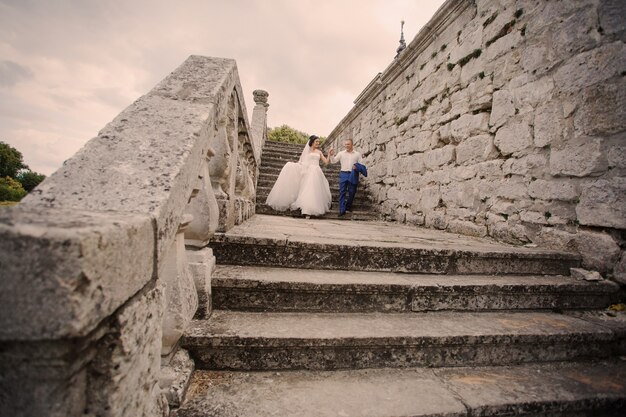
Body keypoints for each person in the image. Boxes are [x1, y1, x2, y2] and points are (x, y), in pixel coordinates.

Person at [265, 135, 332, 216]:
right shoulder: (307, 152)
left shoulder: (319, 152)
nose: (318, 143)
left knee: (314, 190)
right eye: (316, 141)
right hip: (308, 171)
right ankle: (306, 210)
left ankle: (311, 209)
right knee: (308, 190)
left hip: (317, 172)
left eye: (318, 142)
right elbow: (302, 162)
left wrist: (329, 154)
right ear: (312, 142)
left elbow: (326, 162)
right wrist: (295, 166)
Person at [328, 138, 362, 216]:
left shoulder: (357, 154)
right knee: (342, 191)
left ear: (352, 145)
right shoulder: (341, 153)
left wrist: (357, 167)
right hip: (343, 174)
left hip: (353, 174)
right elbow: (333, 161)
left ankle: (348, 206)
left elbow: (361, 164)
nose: (346, 146)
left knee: (352, 191)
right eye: (345, 144)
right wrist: (331, 155)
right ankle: (342, 210)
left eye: (348, 144)